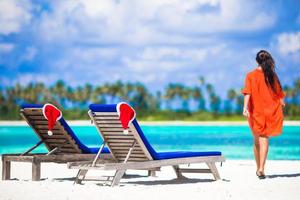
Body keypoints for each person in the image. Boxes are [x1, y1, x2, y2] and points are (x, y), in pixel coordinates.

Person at [242, 50, 285, 179]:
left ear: (257, 61)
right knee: (261, 139)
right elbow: (279, 95)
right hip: (267, 111)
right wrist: (281, 104)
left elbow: (247, 93)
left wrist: (245, 108)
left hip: (257, 112)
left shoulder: (252, 75)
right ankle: (260, 168)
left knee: (259, 139)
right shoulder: (271, 76)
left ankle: (260, 168)